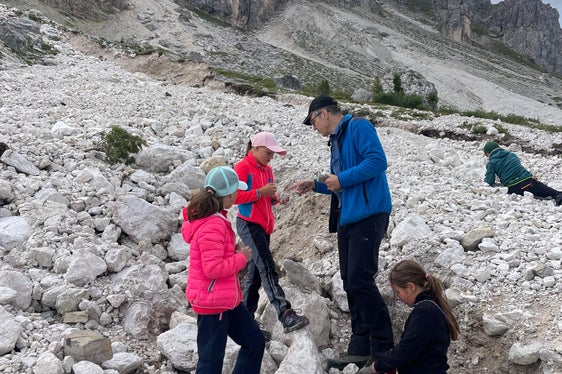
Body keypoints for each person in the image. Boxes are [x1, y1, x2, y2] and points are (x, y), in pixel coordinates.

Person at [288, 96, 393, 370]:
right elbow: (339, 185)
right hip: (348, 216)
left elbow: (378, 162)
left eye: (312, 121)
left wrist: (341, 179)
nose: (313, 128)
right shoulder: (335, 141)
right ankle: (360, 344)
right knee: (349, 280)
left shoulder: (359, 127)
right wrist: (314, 185)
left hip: (370, 213)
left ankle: (383, 348)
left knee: (360, 278)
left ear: (324, 114)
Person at [181, 166, 265, 374]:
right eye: (236, 190)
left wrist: (231, 252)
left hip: (226, 300)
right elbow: (212, 269)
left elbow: (213, 256)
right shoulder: (213, 224)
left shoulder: (214, 218)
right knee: (210, 363)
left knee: (255, 341)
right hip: (213, 304)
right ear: (228, 195)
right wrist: (241, 258)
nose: (238, 194)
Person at [234, 131, 309, 334]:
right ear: (255, 148)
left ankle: (244, 321)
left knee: (257, 273)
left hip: (263, 226)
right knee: (267, 266)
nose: (271, 157)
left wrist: (276, 198)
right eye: (268, 152)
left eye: (273, 153)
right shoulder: (242, 168)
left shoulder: (267, 169)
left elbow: (266, 197)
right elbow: (234, 196)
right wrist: (261, 192)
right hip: (249, 224)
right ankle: (285, 314)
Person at [361, 259, 460, 374]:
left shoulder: (426, 312)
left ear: (411, 287)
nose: (398, 297)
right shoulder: (429, 307)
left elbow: (406, 350)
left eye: (398, 292)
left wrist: (377, 366)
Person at [483, 141, 562, 206]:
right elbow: (519, 168)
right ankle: (558, 196)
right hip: (527, 181)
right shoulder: (512, 155)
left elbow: (489, 180)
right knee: (546, 191)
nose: (488, 157)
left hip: (513, 188)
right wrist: (530, 177)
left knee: (535, 193)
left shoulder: (491, 162)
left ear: (488, 153)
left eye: (487, 155)